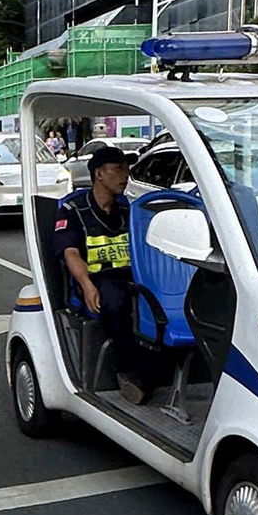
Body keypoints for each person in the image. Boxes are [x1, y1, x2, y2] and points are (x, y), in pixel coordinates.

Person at [54, 146, 151, 404]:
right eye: (118, 169)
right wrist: (86, 285)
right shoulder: (73, 209)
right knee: (117, 302)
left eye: (127, 168)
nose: (125, 175)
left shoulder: (128, 209)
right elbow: (70, 253)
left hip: (131, 276)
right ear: (99, 173)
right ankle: (126, 372)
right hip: (97, 279)